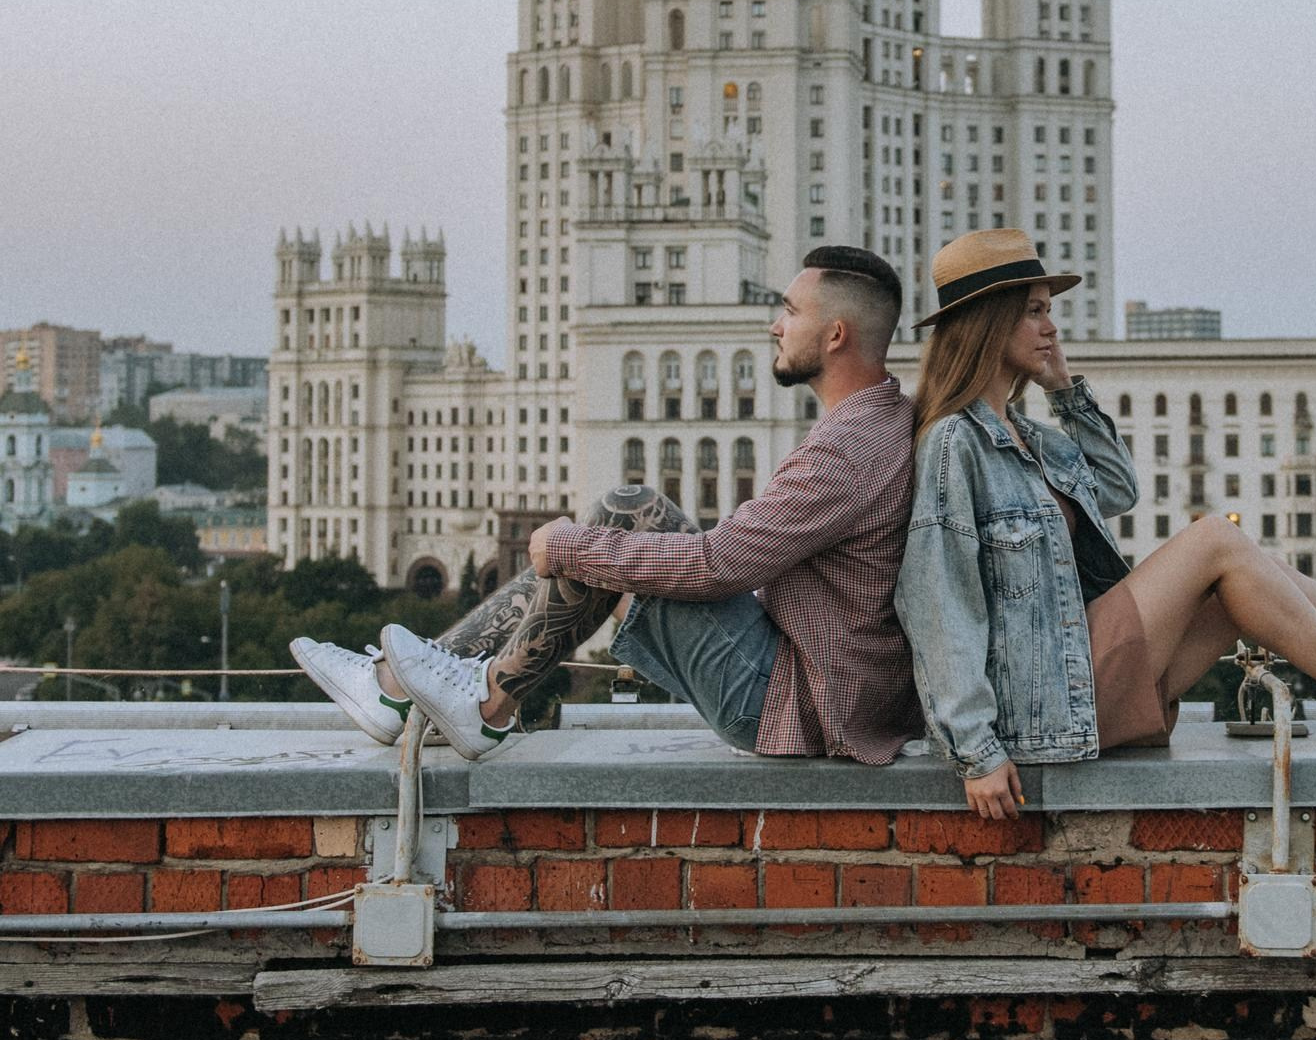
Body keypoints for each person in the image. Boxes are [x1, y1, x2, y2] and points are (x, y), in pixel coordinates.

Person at [894, 231, 1316, 819]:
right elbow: (939, 601)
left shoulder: (1031, 436)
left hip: (1078, 681)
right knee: (1217, 537)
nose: (1052, 327)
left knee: (1260, 577)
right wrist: (975, 753)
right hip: (1035, 705)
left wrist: (1067, 390)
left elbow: (1118, 489)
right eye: (1035, 313)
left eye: (1051, 312)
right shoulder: (956, 442)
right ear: (988, 322)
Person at [291, 245, 921, 765]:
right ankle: (406, 689)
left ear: (836, 334)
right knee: (628, 517)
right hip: (810, 679)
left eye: (790, 311)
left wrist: (568, 543)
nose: (775, 325)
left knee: (619, 519)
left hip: (792, 704)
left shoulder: (851, 444)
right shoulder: (877, 417)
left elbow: (721, 565)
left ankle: (479, 703)